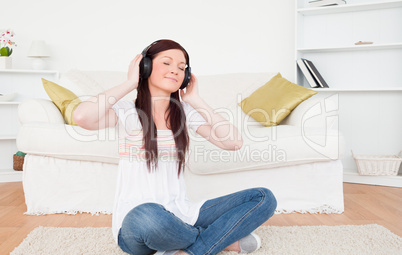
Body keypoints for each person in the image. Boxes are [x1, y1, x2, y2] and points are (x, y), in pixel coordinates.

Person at [73, 39, 277, 255]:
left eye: (182, 68)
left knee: (264, 197)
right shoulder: (125, 112)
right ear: (146, 67)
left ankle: (189, 250)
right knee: (148, 214)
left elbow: (233, 142)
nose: (175, 71)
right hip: (138, 224)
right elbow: (81, 116)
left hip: (183, 214)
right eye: (167, 63)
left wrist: (196, 100)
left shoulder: (185, 113)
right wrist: (130, 83)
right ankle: (219, 239)